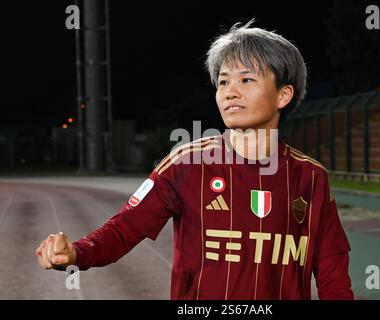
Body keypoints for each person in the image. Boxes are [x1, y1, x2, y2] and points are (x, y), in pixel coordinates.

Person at [36, 20, 353, 300]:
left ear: (283, 95)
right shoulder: (185, 164)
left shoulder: (311, 178)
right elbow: (123, 231)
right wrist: (78, 251)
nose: (229, 92)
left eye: (246, 80)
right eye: (224, 81)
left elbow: (332, 275)